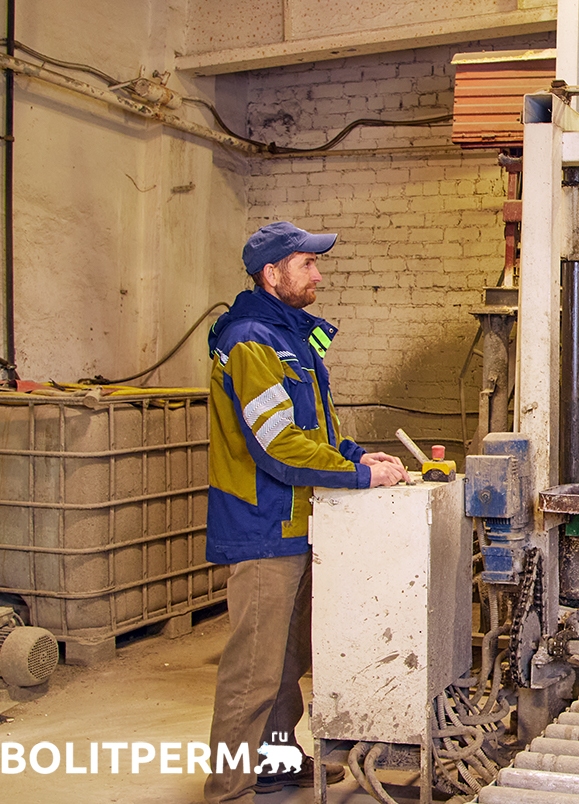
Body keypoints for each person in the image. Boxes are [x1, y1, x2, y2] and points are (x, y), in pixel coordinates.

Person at [203, 221, 408, 802]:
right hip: (263, 526)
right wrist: (360, 475)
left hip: (296, 524)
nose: (318, 275)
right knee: (252, 671)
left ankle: (274, 762)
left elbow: (306, 429)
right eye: (306, 265)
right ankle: (228, 788)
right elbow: (277, 444)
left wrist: (351, 452)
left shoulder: (287, 336)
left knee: (287, 660)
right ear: (273, 275)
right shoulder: (251, 339)